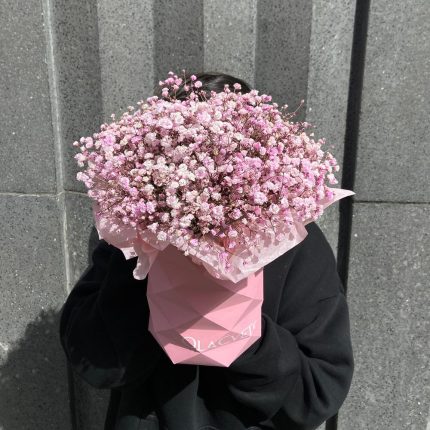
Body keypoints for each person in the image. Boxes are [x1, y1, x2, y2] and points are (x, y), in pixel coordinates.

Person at [59, 72, 355, 430]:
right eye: (184, 143)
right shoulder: (133, 233)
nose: (205, 162)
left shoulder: (295, 242)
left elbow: (318, 391)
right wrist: (149, 273)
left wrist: (245, 335)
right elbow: (92, 358)